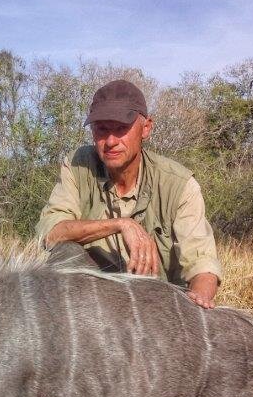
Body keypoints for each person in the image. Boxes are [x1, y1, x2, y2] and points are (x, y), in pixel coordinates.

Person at [36, 79, 223, 308]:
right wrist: (121, 224)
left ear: (146, 128)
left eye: (121, 128)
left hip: (157, 308)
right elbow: (50, 233)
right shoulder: (78, 166)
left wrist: (198, 300)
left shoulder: (179, 184)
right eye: (102, 129)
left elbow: (202, 265)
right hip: (93, 307)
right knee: (65, 253)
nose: (111, 141)